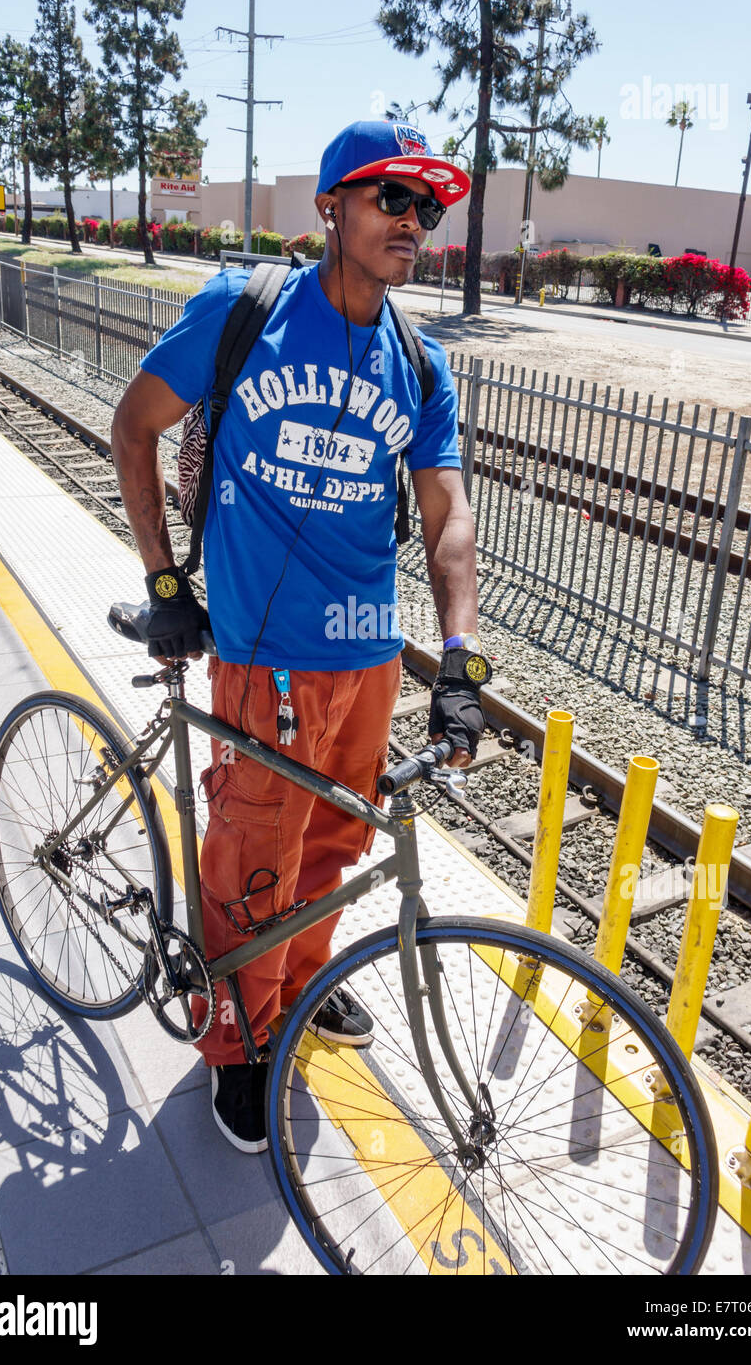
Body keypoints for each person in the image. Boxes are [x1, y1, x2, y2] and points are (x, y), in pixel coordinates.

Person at [110, 120, 490, 1153]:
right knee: (250, 864)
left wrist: (456, 659)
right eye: (388, 198)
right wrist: (161, 581)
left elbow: (447, 515)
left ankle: (301, 982)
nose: (412, 221)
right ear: (330, 207)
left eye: (428, 206)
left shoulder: (417, 360)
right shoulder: (242, 314)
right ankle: (235, 1038)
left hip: (366, 662)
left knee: (336, 845)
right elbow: (133, 425)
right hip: (261, 658)